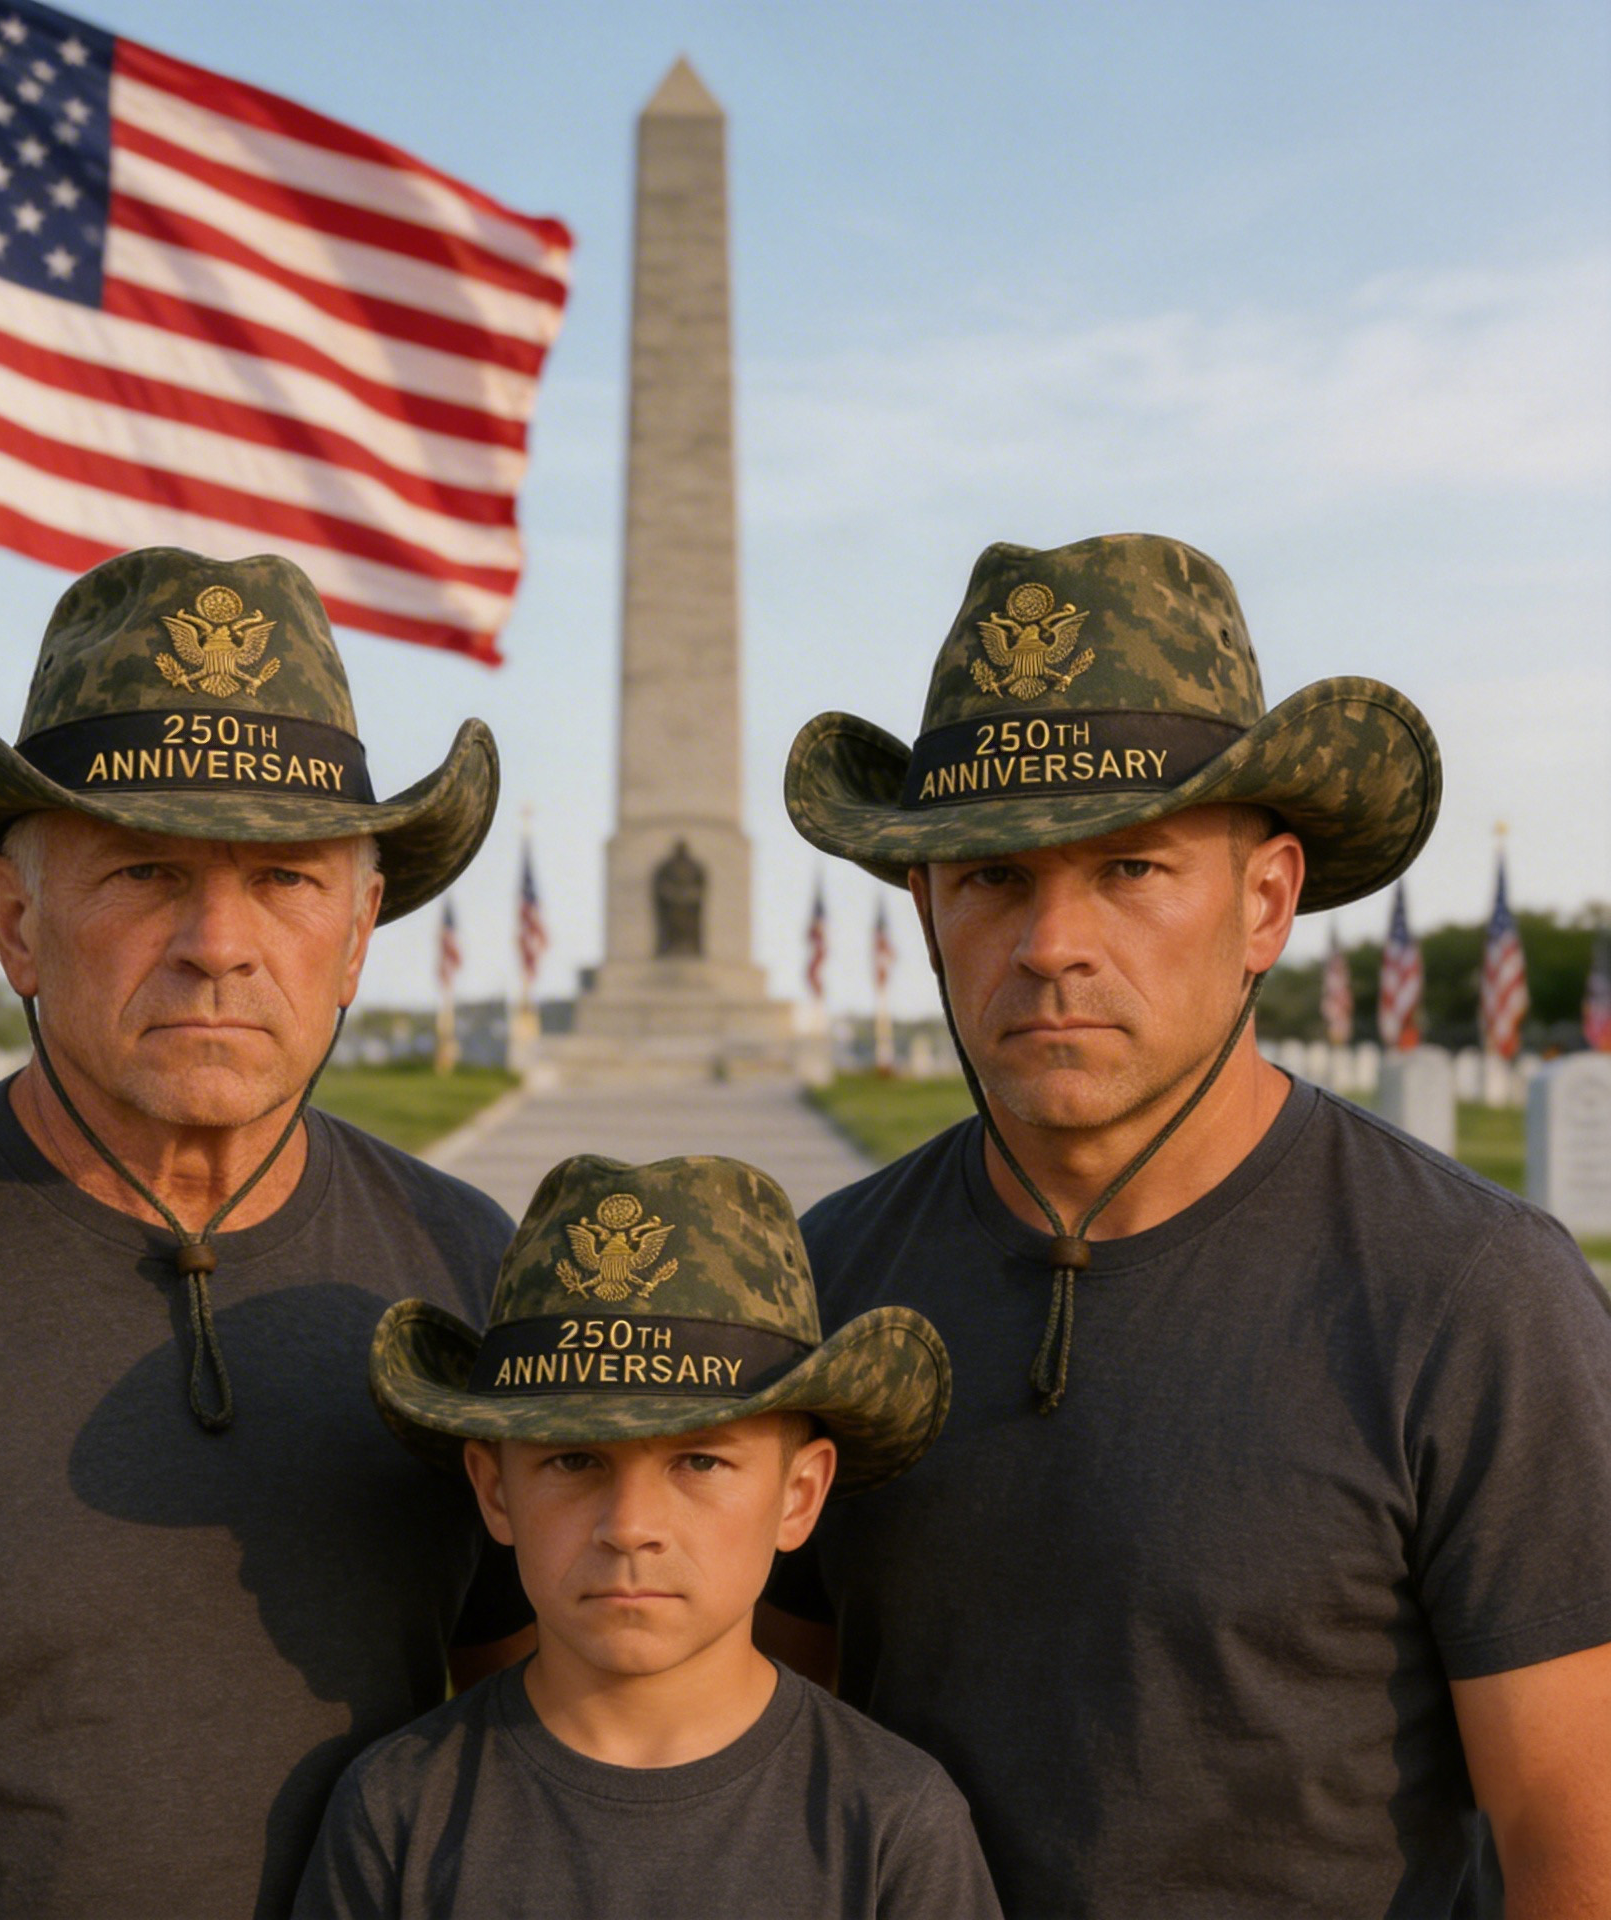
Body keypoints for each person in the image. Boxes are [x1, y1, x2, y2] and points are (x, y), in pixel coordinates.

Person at [771, 532, 1611, 1917]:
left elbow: (1575, 1858)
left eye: (1130, 869)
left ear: (1266, 899)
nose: (1050, 942)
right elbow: (762, 1761)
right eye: (990, 876)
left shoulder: (1474, 1299)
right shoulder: (829, 1282)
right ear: (924, 904)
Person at [0, 549, 533, 1919]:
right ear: (16, 923)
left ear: (362, 925)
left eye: (284, 879)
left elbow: (545, 1755)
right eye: (145, 870)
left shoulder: (466, 1271)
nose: (218, 941)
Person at [294, 1153, 1001, 1919]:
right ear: (494, 1490)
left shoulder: (893, 1825)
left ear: (799, 1495)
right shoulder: (397, 1812)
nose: (630, 1527)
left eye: (700, 1459)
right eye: (573, 1459)